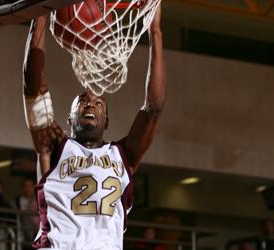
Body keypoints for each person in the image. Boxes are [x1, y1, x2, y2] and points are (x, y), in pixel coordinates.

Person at [22, 3, 166, 250]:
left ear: (106, 120)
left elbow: (153, 107)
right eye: (82, 101)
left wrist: (155, 32)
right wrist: (40, 14)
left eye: (98, 103)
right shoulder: (54, 145)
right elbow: (33, 87)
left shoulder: (123, 155)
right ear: (69, 118)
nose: (90, 103)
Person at [12, 179, 39, 249]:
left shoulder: (39, 200)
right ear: (22, 188)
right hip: (22, 230)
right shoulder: (16, 201)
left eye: (30, 186)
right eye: (25, 186)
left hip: (37, 230)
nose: (27, 189)